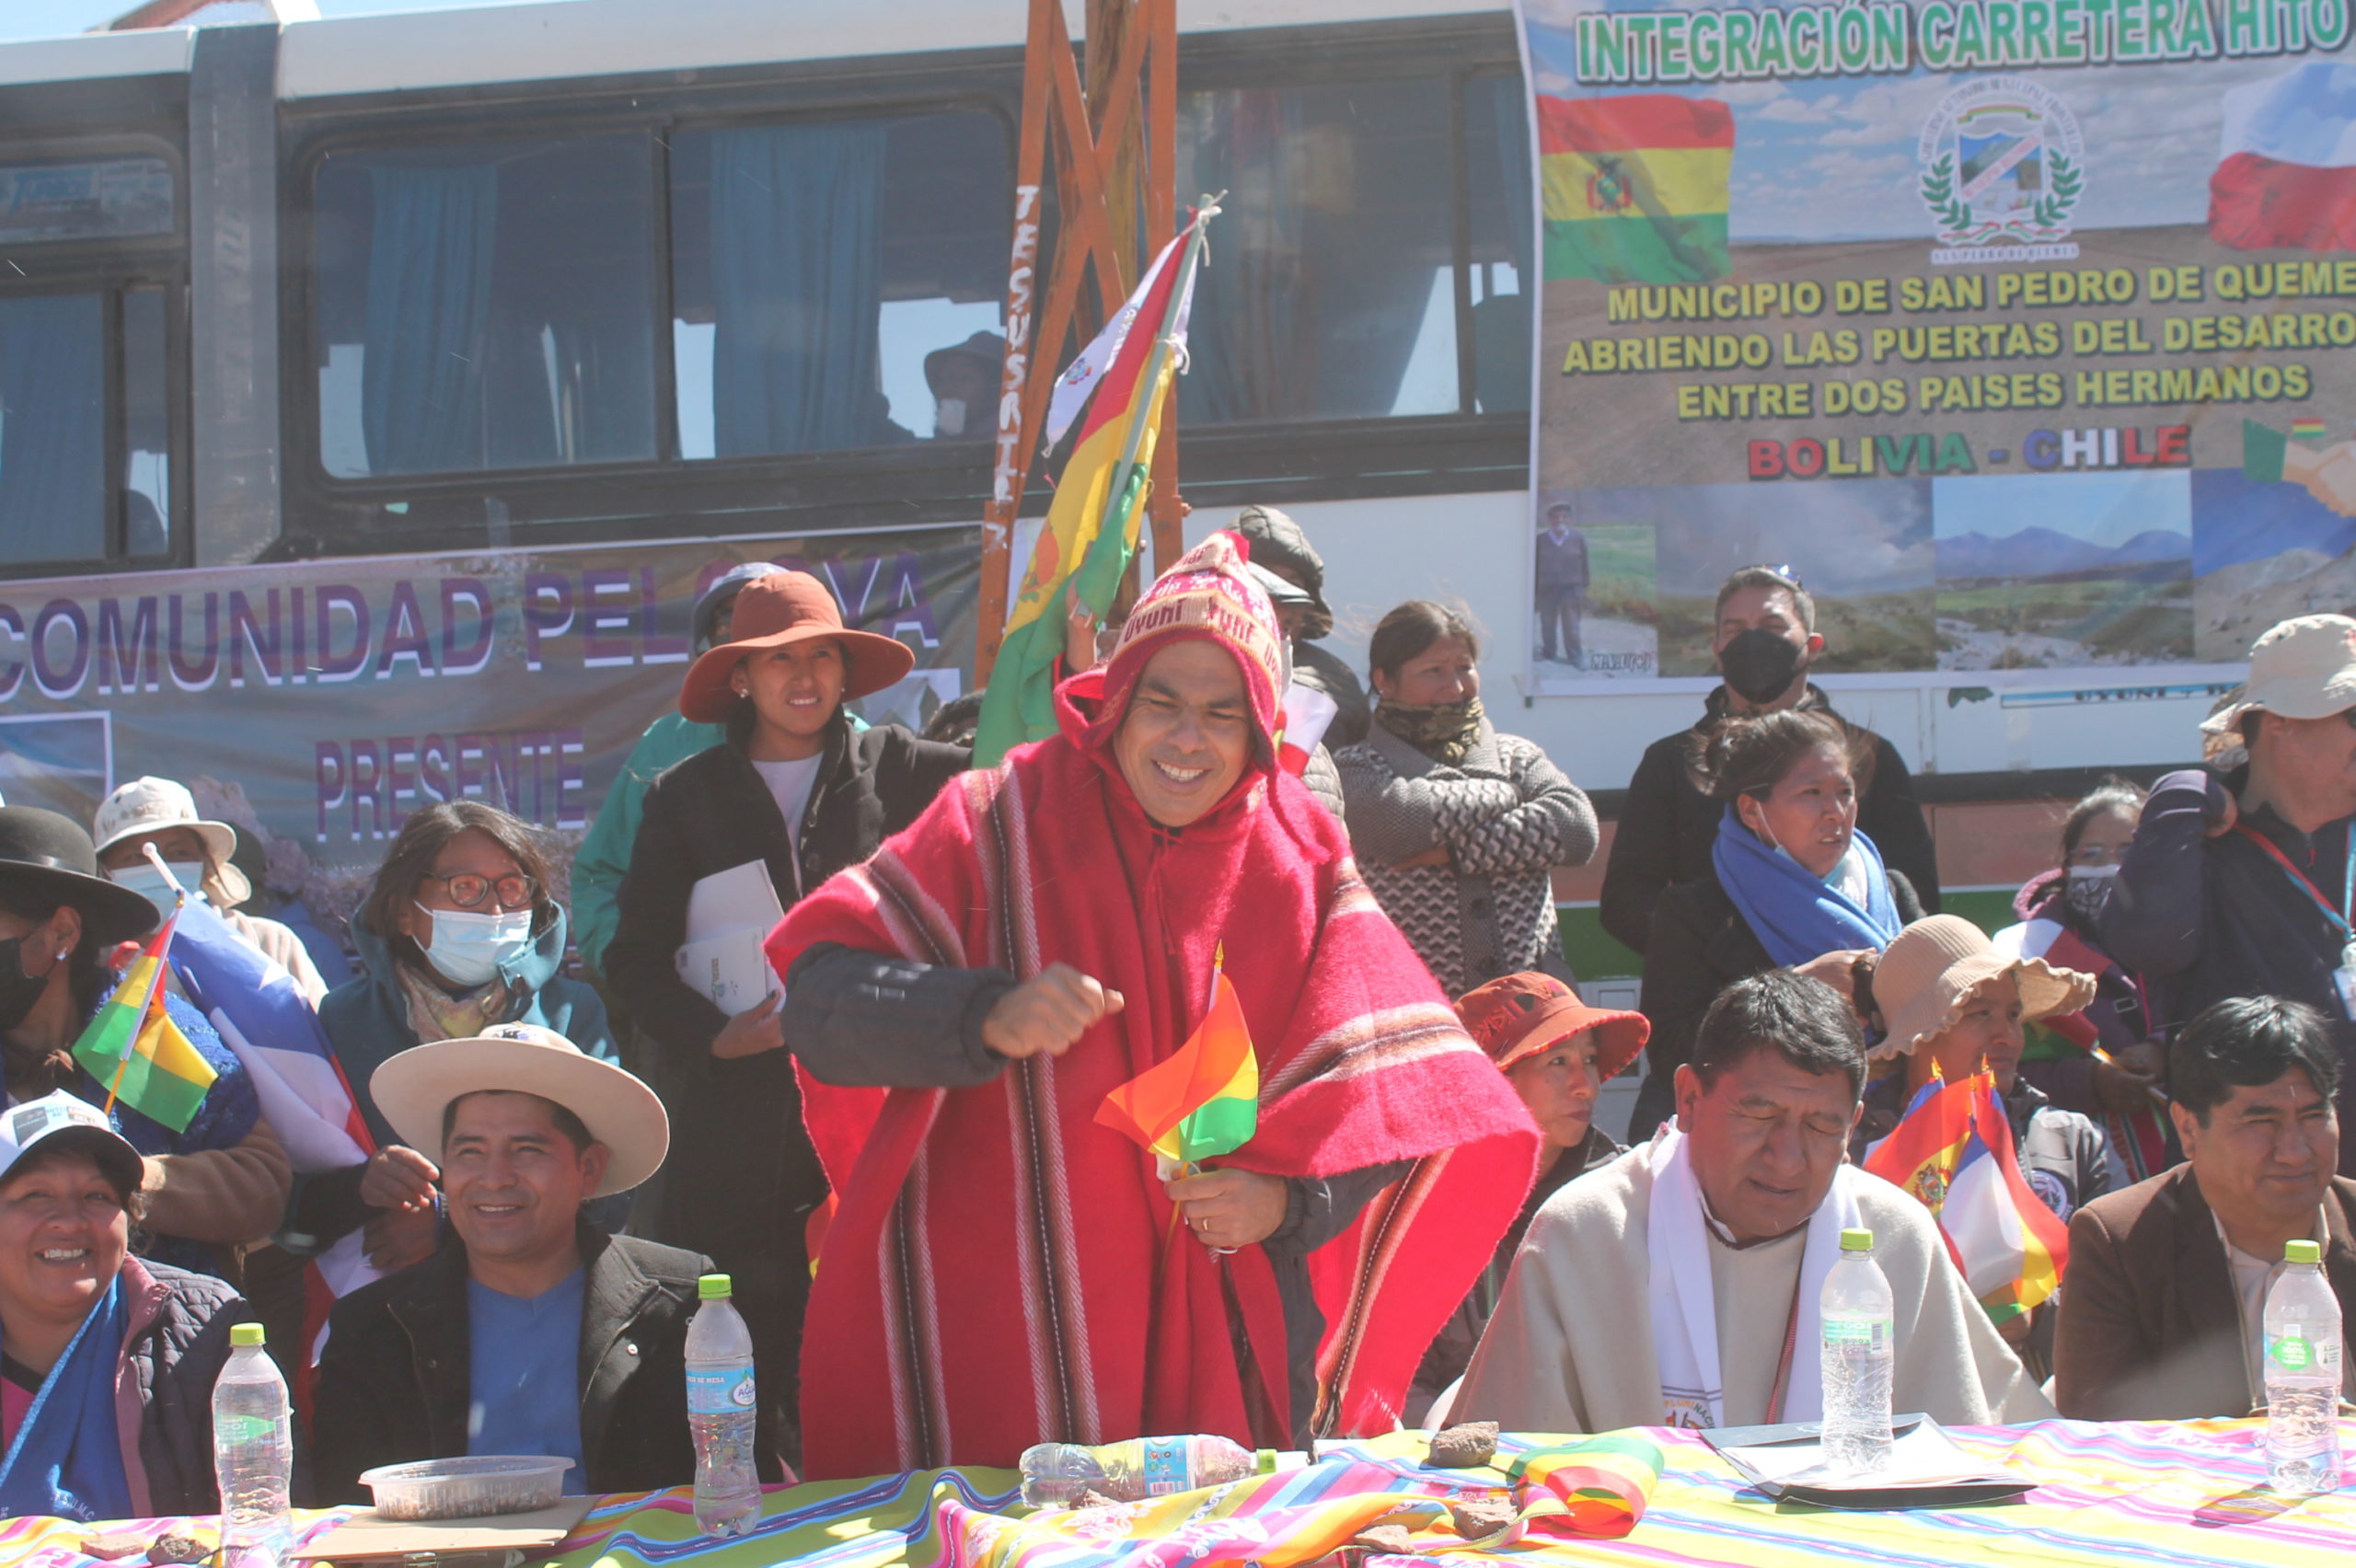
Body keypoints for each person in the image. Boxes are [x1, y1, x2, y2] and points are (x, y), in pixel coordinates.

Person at [770, 533, 1540, 1480]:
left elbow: (1396, 1100)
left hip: (1229, 1337)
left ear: (1260, 728)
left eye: (1223, 714)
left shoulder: (1298, 855)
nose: (1187, 739)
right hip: (998, 1321)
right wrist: (980, 1014)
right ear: (1110, 704)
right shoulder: (992, 818)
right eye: (1160, 703)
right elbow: (816, 1001)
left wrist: (1286, 1202)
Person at [604, 569, 968, 1461]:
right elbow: (630, 962)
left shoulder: (911, 770)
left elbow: (1016, 800)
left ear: (847, 672)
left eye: (820, 659)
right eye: (777, 662)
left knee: (892, 1343)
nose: (802, 680)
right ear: (739, 678)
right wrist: (717, 1035)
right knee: (741, 1368)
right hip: (734, 1136)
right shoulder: (683, 795)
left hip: (888, 1120)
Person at [1456, 970, 2052, 1434]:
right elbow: (1517, 1471)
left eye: (1822, 1127)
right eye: (1759, 1115)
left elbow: (1955, 1459)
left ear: (1856, 1128)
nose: (1787, 1156)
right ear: (1688, 1099)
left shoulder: (1894, 1236)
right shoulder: (1585, 1234)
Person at [311, 1024, 769, 1501]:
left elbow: (737, 1480)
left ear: (588, 1168)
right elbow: (344, 1516)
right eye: (470, 1152)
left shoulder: (683, 1302)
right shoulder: (374, 1326)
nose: (495, 1178)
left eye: (527, 1150)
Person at [294, 802, 617, 1281]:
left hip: (542, 1292)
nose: (494, 910)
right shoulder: (343, 1019)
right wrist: (362, 1187)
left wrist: (449, 1227)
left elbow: (612, 1185)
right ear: (405, 912)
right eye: (466, 888)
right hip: (387, 1306)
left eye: (512, 888)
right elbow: (293, 1210)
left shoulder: (571, 1012)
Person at [2102, 614, 2356, 1174]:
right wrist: (2176, 799)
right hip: (2249, 1187)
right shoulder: (2200, 836)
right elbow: (2146, 946)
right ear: (2280, 722)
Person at [0, 808, 287, 1279]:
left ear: (63, 932)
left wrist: (128, 1178)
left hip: (160, 1332)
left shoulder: (145, 1031)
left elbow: (261, 1183)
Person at [1600, 565, 1939, 954]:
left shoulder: (1867, 756)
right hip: (1714, 999)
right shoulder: (1673, 762)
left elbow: (1915, 896)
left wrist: (1842, 959)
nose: (1753, 641)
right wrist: (1716, 956)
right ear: (1718, 649)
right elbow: (1626, 901)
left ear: (1811, 646)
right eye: (1735, 630)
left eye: (1772, 626)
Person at [2055, 997, 2356, 1420]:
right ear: (2188, 1127)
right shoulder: (2122, 1242)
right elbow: (2102, 1441)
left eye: (2312, 1116)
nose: (2294, 1151)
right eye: (2260, 1122)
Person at [1631, 709, 1922, 1140]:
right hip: (1743, 1141)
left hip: (1888, 1135)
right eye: (1811, 793)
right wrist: (1797, 988)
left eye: (1845, 792)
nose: (1835, 812)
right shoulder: (1696, 912)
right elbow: (1671, 1048)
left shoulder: (1892, 894)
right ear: (1752, 811)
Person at [1858, 916, 2110, 1378]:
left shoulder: (2069, 1140)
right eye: (1979, 1013)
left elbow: (2117, 1284)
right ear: (1921, 1033)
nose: (2007, 1035)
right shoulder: (1854, 1150)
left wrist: (2038, 1306)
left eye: (2013, 1015)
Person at [1409, 973, 1646, 1423]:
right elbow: (1396, 1381)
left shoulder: (1624, 1196)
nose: (1586, 1086)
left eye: (1590, 1060)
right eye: (1558, 1062)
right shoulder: (1418, 1207)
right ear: (1493, 1082)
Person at [0, 1090, 247, 1520]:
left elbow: (269, 1515)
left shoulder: (207, 1327)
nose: (70, 1220)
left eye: (97, 1196)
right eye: (36, 1195)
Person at [1335, 601, 1599, 997]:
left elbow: (1577, 828)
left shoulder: (1516, 755)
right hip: (1415, 1007)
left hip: (1532, 1011)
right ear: (1384, 679)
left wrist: (1456, 852)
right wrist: (1505, 792)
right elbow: (1395, 823)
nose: (1456, 686)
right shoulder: (1357, 768)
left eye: (1464, 667)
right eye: (1434, 671)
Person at [571, 562, 782, 979]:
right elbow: (601, 875)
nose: (745, 630)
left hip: (824, 1000)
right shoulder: (667, 744)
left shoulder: (860, 748)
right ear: (710, 650)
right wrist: (644, 970)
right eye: (729, 616)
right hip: (685, 1007)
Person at [1993, 778, 2172, 1183]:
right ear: (2068, 866)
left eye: (2128, 851)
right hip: (2077, 1170)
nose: (2110, 866)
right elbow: (1997, 1067)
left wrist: (2165, 1051)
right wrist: (2092, 1082)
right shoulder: (2027, 953)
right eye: (2091, 855)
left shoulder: (2189, 938)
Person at [91, 777, 328, 1005]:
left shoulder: (268, 943)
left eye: (178, 852)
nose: (159, 866)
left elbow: (320, 1038)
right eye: (136, 856)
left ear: (204, 862)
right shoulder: (90, 961)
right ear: (107, 872)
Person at [1233, 504, 1369, 749]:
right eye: (1260, 580)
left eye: (1290, 584)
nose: (1277, 597)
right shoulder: (1192, 662)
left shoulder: (1335, 678)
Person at [1533, 504, 1588, 669]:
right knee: (1547, 624)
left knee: (1572, 626)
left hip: (1571, 589)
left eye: (1564, 517)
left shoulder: (1577, 538)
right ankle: (1549, 652)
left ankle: (1576, 657)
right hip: (1547, 589)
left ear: (1569, 519)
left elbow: (1585, 564)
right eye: (1556, 517)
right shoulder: (1541, 540)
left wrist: (1583, 586)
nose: (1560, 520)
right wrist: (1535, 590)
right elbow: (1535, 566)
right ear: (1550, 520)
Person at [923, 330, 1005, 441]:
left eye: (964, 378)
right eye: (942, 379)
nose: (948, 388)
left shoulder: (1009, 447)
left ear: (993, 392)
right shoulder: (926, 454)